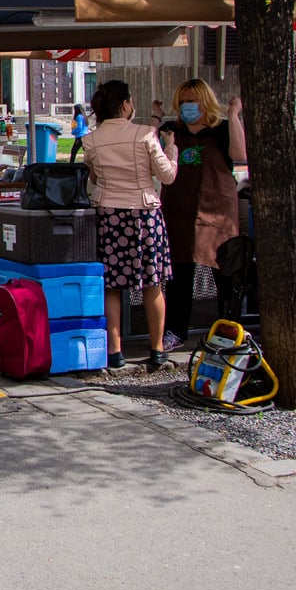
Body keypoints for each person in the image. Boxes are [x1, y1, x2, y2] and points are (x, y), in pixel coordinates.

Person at [83, 78, 179, 371]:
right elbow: (167, 176)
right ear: (125, 104)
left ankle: (115, 351)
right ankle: (157, 349)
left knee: (111, 285)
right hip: (144, 214)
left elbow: (95, 178)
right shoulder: (145, 134)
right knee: (152, 284)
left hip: (110, 214)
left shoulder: (90, 140)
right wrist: (171, 151)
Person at [157, 80, 246, 352]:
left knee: (224, 275)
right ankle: (176, 331)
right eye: (183, 101)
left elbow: (240, 155)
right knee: (179, 276)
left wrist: (233, 117)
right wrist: (156, 123)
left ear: (205, 101)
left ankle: (227, 332)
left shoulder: (220, 130)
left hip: (217, 213)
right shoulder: (172, 130)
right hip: (179, 213)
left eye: (193, 100)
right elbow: (154, 160)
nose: (187, 106)